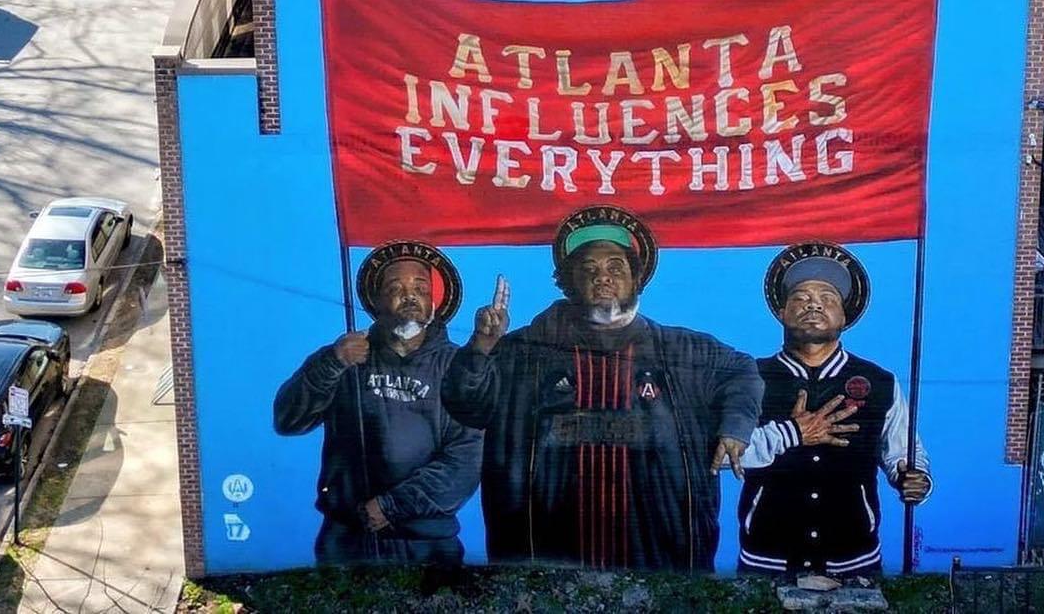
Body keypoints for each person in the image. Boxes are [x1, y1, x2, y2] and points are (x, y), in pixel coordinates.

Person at [441, 205, 762, 572]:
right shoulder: (520, 353)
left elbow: (741, 371)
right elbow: (465, 404)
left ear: (637, 277)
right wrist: (481, 348)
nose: (603, 277)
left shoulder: (683, 351)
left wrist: (735, 427)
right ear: (568, 281)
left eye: (615, 267)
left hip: (660, 560)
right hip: (545, 560)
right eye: (588, 269)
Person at [274, 240, 482, 566]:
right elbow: (288, 420)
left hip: (427, 546)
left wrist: (390, 506)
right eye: (395, 287)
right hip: (346, 541)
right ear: (377, 299)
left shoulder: (458, 368)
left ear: (433, 300)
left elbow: (466, 461)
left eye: (420, 287)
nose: (409, 295)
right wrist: (332, 363)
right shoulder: (344, 356)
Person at [738, 244, 930, 580]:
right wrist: (789, 434)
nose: (813, 304)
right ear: (781, 311)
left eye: (828, 297)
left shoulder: (879, 382)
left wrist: (914, 477)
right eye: (800, 297)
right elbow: (722, 452)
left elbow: (901, 451)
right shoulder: (748, 377)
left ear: (845, 315)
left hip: (854, 562)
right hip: (766, 562)